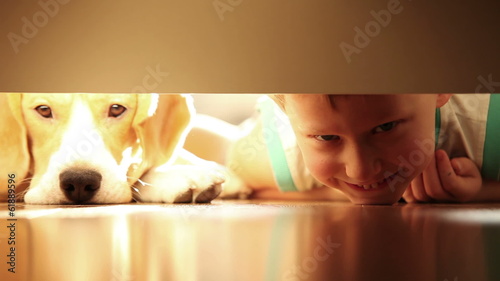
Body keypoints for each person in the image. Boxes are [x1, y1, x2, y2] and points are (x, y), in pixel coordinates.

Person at [186, 94, 500, 204]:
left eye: (386, 127)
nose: (360, 170)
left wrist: (482, 192)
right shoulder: (286, 154)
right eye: (327, 139)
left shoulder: (488, 126)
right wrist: (332, 193)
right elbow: (211, 143)